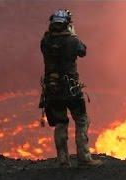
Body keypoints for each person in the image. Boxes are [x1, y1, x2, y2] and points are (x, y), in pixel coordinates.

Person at [39, 9, 102, 167]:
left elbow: (52, 49)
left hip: (52, 90)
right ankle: (84, 158)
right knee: (81, 120)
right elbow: (83, 51)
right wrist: (73, 35)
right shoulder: (72, 41)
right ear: (67, 24)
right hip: (71, 89)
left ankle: (63, 160)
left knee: (60, 123)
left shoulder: (45, 41)